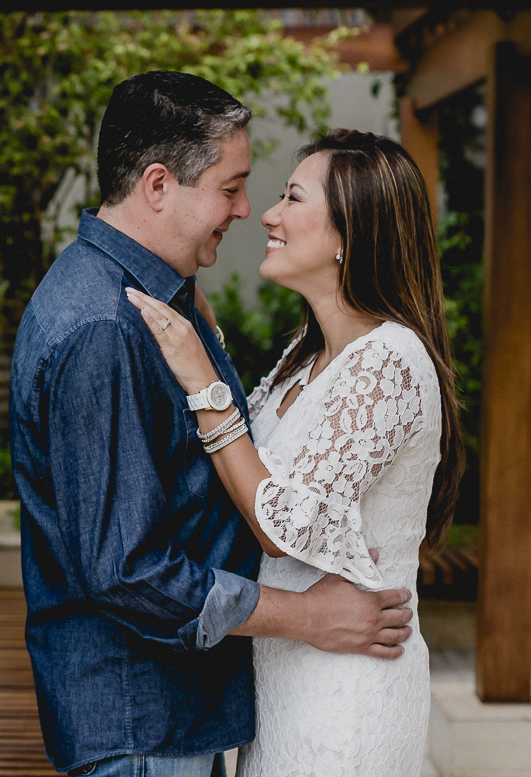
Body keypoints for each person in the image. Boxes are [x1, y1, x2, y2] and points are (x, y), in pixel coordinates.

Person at [9, 71, 418, 777]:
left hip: (174, 714)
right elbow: (128, 570)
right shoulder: (106, 326)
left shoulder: (152, 306)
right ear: (160, 185)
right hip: (143, 722)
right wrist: (307, 616)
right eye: (230, 188)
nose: (246, 208)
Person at [125, 128, 464, 776]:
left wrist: (206, 383)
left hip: (347, 696)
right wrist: (205, 336)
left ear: (349, 235)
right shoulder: (306, 356)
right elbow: (253, 459)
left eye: (292, 197)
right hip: (287, 681)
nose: (269, 215)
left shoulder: (389, 360)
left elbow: (285, 523)